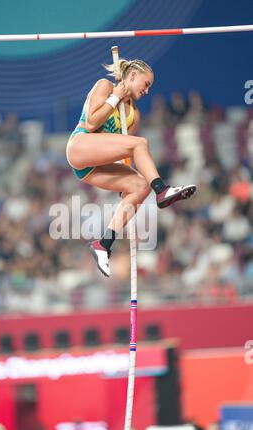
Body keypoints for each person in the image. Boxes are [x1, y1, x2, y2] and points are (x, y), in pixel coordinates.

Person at [66, 58, 196, 277]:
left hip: (94, 166)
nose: (146, 91)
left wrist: (124, 184)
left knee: (140, 186)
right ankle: (162, 190)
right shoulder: (105, 86)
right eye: (145, 84)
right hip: (80, 146)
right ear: (132, 76)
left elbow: (123, 152)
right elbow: (91, 123)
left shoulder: (133, 116)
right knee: (140, 143)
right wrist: (116, 96)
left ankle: (104, 244)